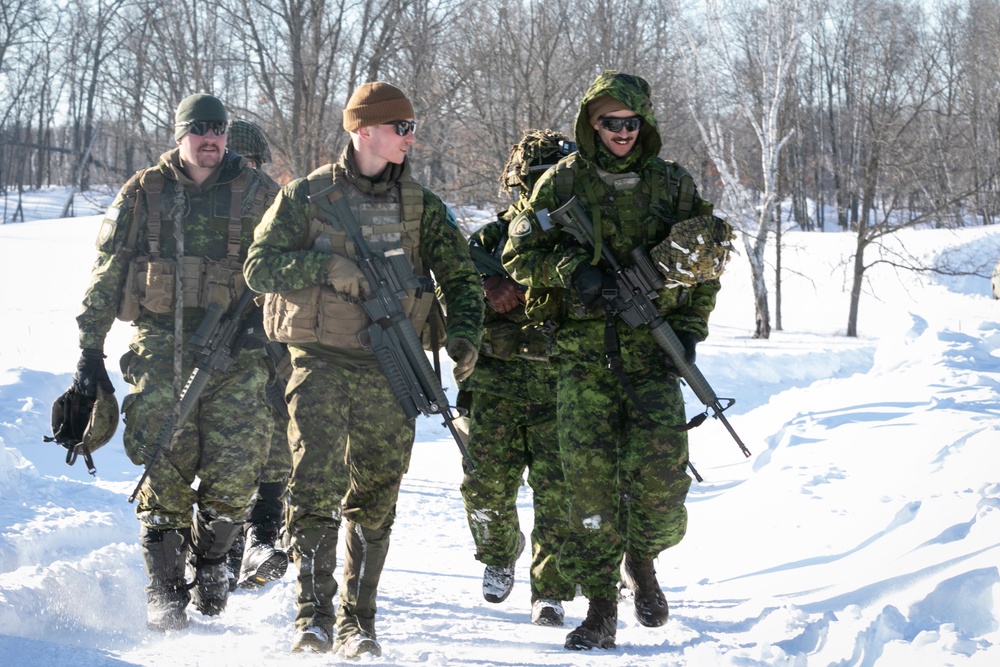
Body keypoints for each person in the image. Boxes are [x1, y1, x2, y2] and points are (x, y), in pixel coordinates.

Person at [243, 81, 483, 657]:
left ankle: (359, 619)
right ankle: (312, 617)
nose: (410, 138)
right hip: (319, 361)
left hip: (390, 365)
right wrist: (327, 268)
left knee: (377, 494)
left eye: (411, 128)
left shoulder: (421, 205)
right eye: (401, 127)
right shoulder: (306, 197)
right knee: (313, 487)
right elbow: (258, 267)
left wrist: (466, 333)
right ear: (364, 131)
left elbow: (461, 274)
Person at [502, 70, 722, 650]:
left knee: (661, 487)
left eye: (630, 122)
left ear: (644, 123)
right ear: (590, 123)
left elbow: (706, 262)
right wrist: (573, 271)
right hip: (583, 362)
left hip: (653, 360)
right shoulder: (560, 183)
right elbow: (518, 253)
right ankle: (601, 608)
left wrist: (690, 329)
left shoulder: (672, 187)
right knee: (590, 490)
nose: (621, 132)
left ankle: (643, 561)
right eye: (608, 122)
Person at [74, 93, 280, 631]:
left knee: (237, 465)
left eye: (218, 130)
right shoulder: (145, 191)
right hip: (161, 347)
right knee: (162, 456)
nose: (210, 140)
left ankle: (212, 560)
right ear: (179, 134)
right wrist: (88, 350)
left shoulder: (259, 192)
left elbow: (292, 268)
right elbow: (108, 269)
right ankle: (163, 591)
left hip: (239, 352)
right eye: (199, 130)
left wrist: (269, 323)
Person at [458, 129, 577, 626]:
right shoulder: (487, 241)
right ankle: (499, 553)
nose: (540, 190)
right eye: (533, 180)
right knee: (484, 489)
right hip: (494, 387)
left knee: (559, 493)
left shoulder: (580, 239)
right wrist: (487, 286)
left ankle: (549, 590)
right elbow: (451, 292)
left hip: (561, 388)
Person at [222, 119, 292, 592]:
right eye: (238, 161)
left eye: (251, 162)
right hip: (215, 340)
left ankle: (261, 538)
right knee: (223, 449)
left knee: (278, 442)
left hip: (268, 338)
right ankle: (224, 550)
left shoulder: (277, 200)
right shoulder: (200, 199)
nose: (245, 170)